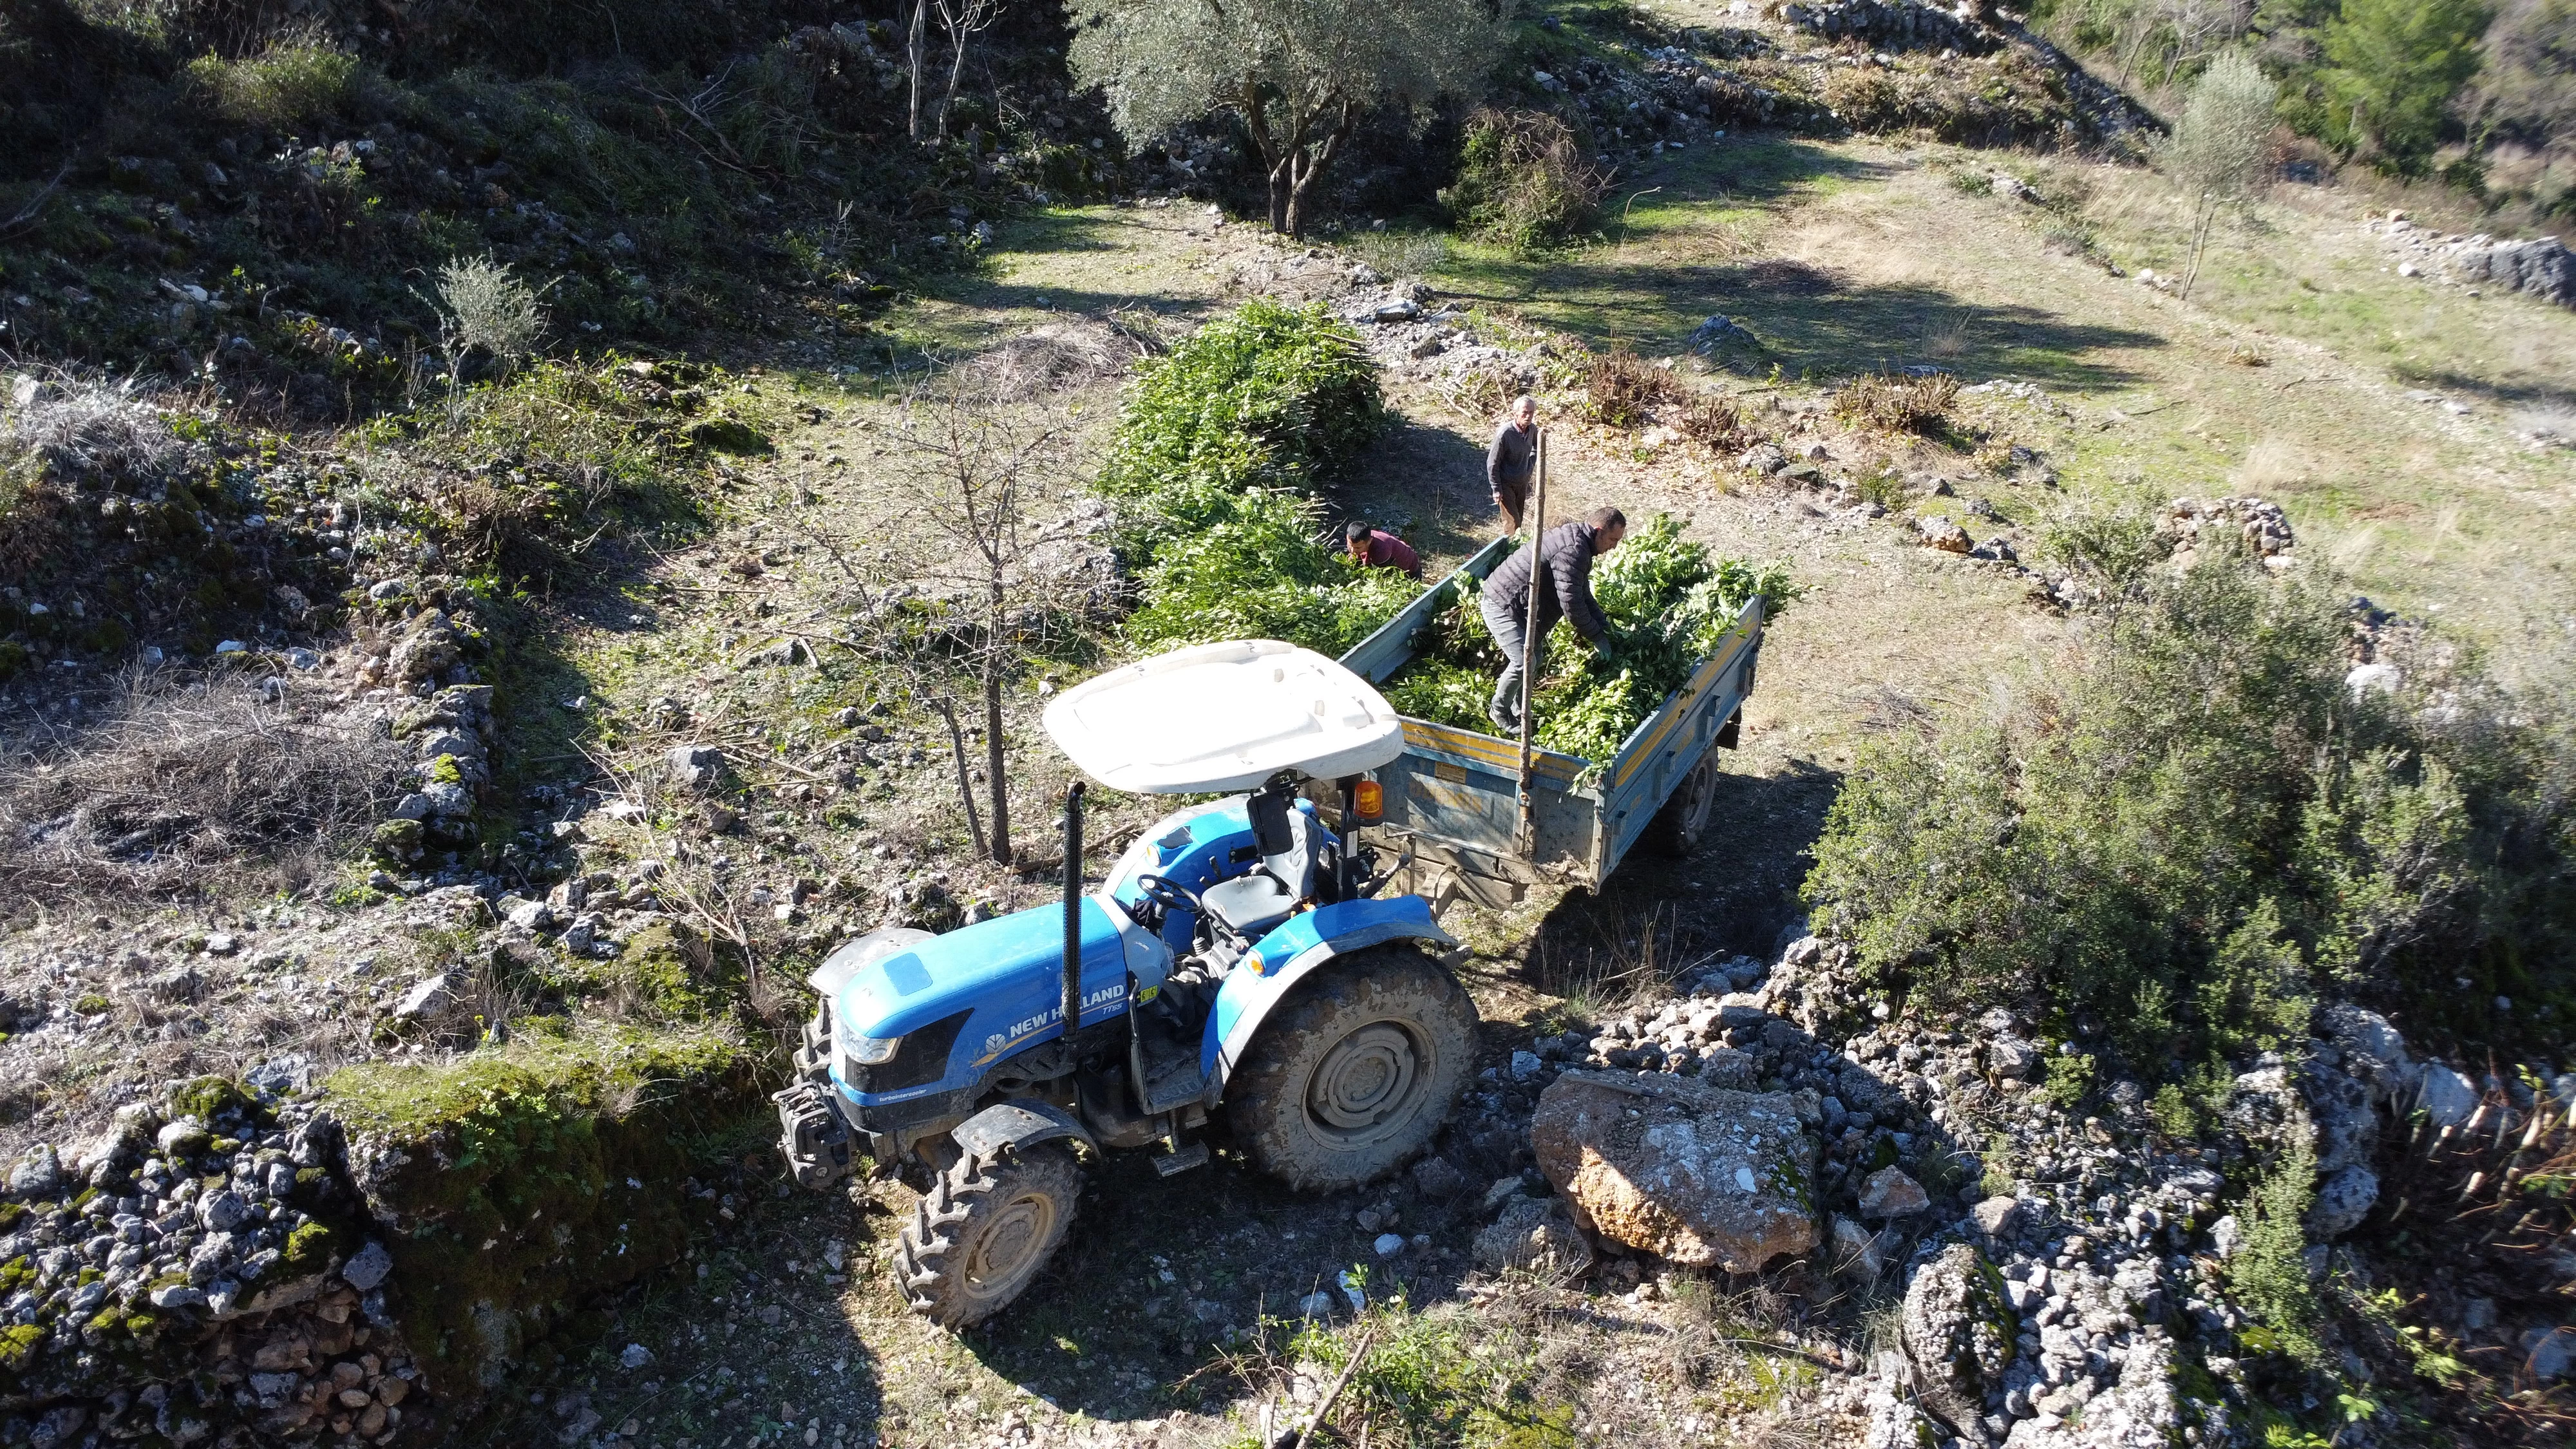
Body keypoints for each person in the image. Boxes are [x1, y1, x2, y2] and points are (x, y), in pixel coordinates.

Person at [1479, 506, 1627, 734]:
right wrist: (1596, 636)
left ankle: (1521, 712)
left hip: (1522, 607)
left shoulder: (1579, 542)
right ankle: (1498, 711)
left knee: (1534, 658)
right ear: (1598, 531)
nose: (1614, 547)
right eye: (1612, 539)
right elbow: (1571, 603)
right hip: (1504, 603)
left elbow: (1581, 591)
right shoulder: (1574, 550)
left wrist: (1603, 625)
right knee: (1524, 662)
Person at [1486, 395, 1539, 536]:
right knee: (1513, 523)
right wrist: (1496, 488)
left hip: (1522, 483)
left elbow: (1537, 445)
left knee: (1519, 522)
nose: (1528, 416)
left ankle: (1517, 550)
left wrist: (1531, 463)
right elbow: (1493, 463)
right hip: (1506, 484)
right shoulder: (1505, 434)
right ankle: (1511, 553)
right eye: (1525, 412)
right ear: (1516, 413)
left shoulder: (1532, 430)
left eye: (1531, 413)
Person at [1343, 519, 1423, 578]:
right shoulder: (1356, 540)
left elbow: (1380, 577)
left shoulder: (1381, 550)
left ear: (1369, 542)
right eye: (1350, 546)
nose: (1353, 550)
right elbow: (1355, 558)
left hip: (1409, 569)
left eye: (1358, 548)